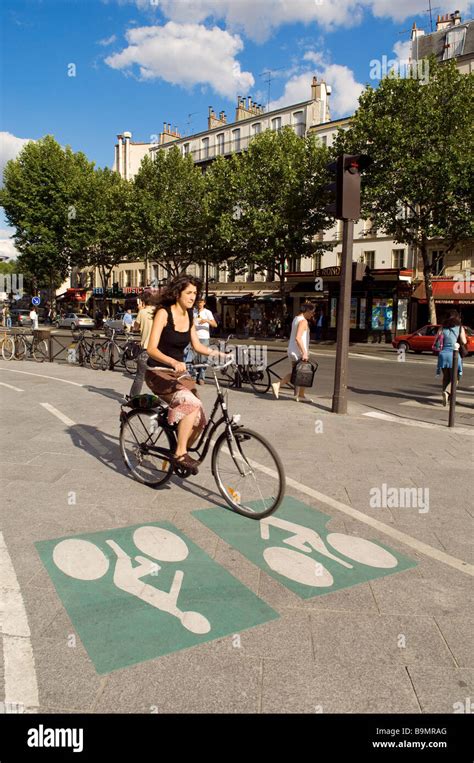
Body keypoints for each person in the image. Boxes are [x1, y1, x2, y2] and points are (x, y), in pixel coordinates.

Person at [145, 274, 226, 474]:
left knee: (200, 421)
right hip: (158, 372)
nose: (193, 297)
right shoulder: (164, 313)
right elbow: (151, 348)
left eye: (195, 293)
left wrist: (217, 353)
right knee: (191, 404)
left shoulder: (190, 315)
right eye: (189, 293)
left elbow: (197, 345)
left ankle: (180, 449)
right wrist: (173, 362)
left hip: (178, 374)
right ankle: (179, 453)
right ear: (177, 293)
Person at [271, 302, 316, 403]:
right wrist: (304, 352)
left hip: (293, 349)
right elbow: (298, 338)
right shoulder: (303, 321)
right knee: (302, 372)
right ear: (308, 311)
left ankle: (301, 394)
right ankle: (278, 384)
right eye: (312, 313)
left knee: (299, 372)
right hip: (298, 351)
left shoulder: (296, 319)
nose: (312, 315)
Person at [434, 310, 467, 406]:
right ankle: (447, 392)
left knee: (446, 377)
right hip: (454, 355)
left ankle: (446, 397)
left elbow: (437, 338)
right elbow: (464, 341)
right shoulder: (460, 327)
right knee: (456, 377)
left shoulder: (442, 327)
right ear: (457, 317)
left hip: (443, 354)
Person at [128, 292, 156, 399]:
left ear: (143, 302)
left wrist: (140, 310)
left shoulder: (142, 312)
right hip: (157, 349)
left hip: (146, 349)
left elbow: (135, 327)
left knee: (140, 376)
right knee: (157, 377)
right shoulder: (157, 312)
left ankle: (133, 397)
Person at [193, 297, 217, 385]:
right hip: (195, 337)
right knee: (195, 358)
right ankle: (194, 376)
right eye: (198, 302)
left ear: (204, 303)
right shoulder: (193, 311)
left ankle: (201, 377)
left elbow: (215, 324)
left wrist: (206, 320)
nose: (199, 303)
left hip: (204, 337)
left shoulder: (207, 312)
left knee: (203, 358)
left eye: (201, 302)